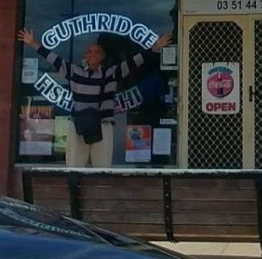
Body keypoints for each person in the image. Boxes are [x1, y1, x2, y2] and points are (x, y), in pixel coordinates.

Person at [18, 27, 171, 168]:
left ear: (103, 56)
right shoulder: (74, 72)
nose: (93, 55)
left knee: (102, 170)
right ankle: (75, 197)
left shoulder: (111, 73)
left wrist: (155, 48)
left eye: (97, 52)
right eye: (90, 51)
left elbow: (134, 62)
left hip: (103, 126)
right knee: (74, 169)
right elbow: (53, 58)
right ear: (85, 55)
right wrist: (32, 43)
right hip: (79, 126)